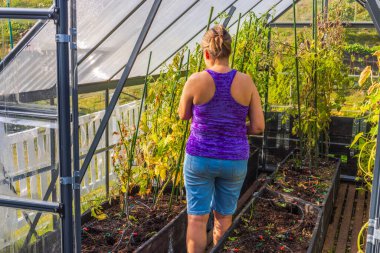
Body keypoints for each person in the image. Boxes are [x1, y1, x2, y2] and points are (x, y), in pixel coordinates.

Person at [178, 24, 265, 253]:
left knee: (197, 220)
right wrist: (235, 128)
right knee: (223, 220)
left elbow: (183, 114)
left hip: (199, 158)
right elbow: (258, 126)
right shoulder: (246, 82)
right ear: (229, 51)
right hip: (234, 159)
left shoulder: (195, 80)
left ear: (206, 53)